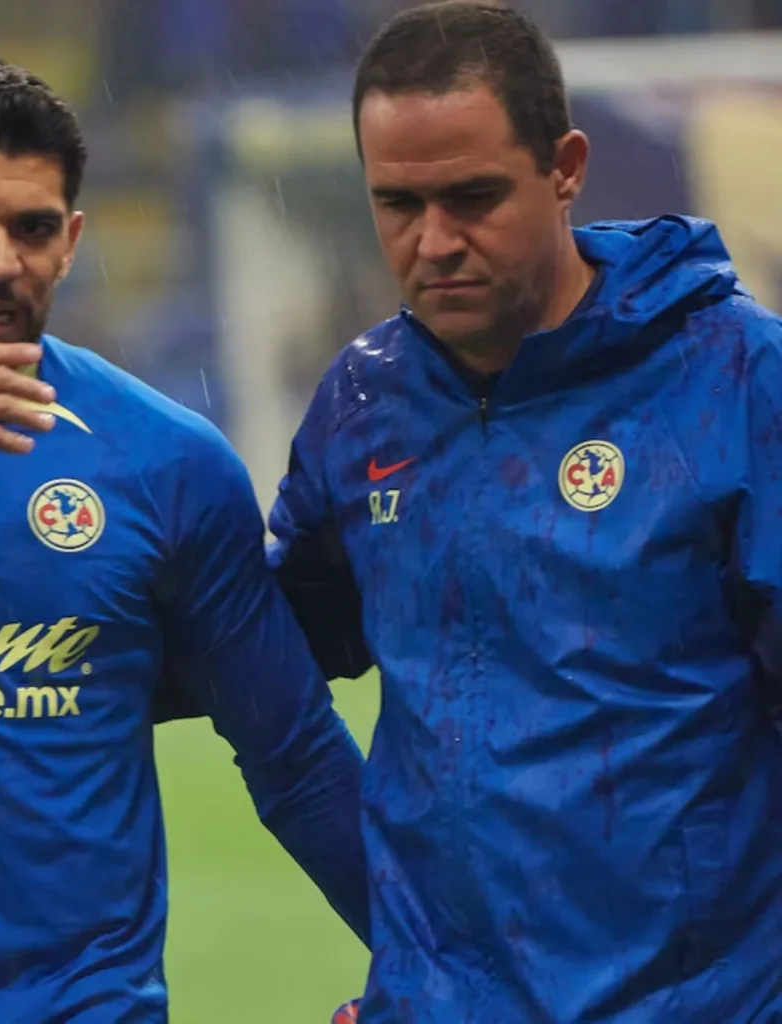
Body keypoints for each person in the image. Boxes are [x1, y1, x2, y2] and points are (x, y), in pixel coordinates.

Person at [0, 57, 369, 1023]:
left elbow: (295, 757)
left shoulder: (165, 460)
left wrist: (449, 971)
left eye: (33, 228)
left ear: (73, 241)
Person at [268, 3, 782, 1021]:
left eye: (473, 197)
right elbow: (268, 645)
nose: (434, 242)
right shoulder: (363, 404)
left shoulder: (734, 379)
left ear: (565, 167)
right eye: (398, 203)